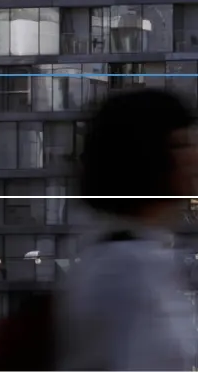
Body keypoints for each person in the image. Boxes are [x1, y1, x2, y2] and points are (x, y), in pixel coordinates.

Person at [53, 87, 198, 369]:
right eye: (180, 145)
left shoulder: (140, 256)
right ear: (148, 158)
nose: (194, 157)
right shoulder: (124, 269)